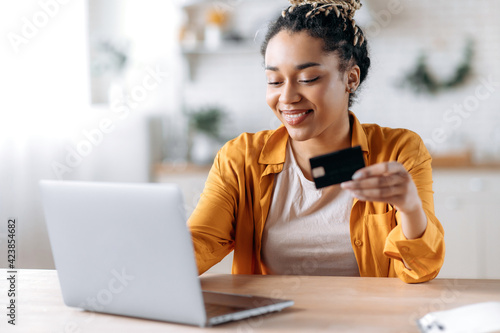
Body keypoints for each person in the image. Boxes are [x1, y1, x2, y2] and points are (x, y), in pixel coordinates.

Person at [187, 0, 444, 284]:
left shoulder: (398, 151)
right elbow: (199, 242)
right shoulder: (240, 158)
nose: (286, 97)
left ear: (351, 78)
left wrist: (410, 208)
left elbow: (422, 269)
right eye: (274, 81)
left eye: (308, 78)